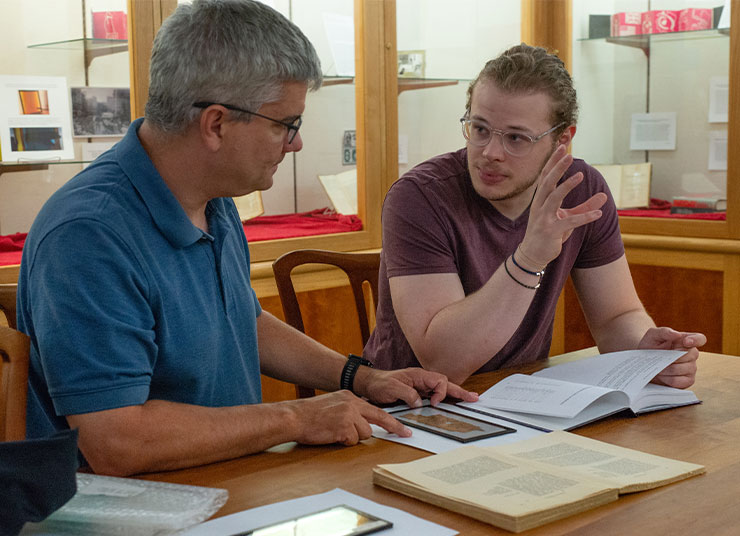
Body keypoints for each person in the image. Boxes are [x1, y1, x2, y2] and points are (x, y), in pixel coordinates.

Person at [17, 0, 477, 477]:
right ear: (216, 124)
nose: (295, 142)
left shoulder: (212, 196)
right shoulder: (89, 235)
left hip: (226, 478)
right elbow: (117, 442)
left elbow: (242, 321)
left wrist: (360, 377)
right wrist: (295, 417)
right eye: (287, 124)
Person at [364, 43, 706, 386]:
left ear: (562, 140)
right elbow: (443, 363)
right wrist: (530, 257)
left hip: (517, 397)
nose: (490, 153)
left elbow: (617, 317)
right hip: (407, 410)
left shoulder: (581, 190)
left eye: (516, 138)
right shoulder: (419, 197)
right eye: (480, 129)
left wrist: (644, 353)